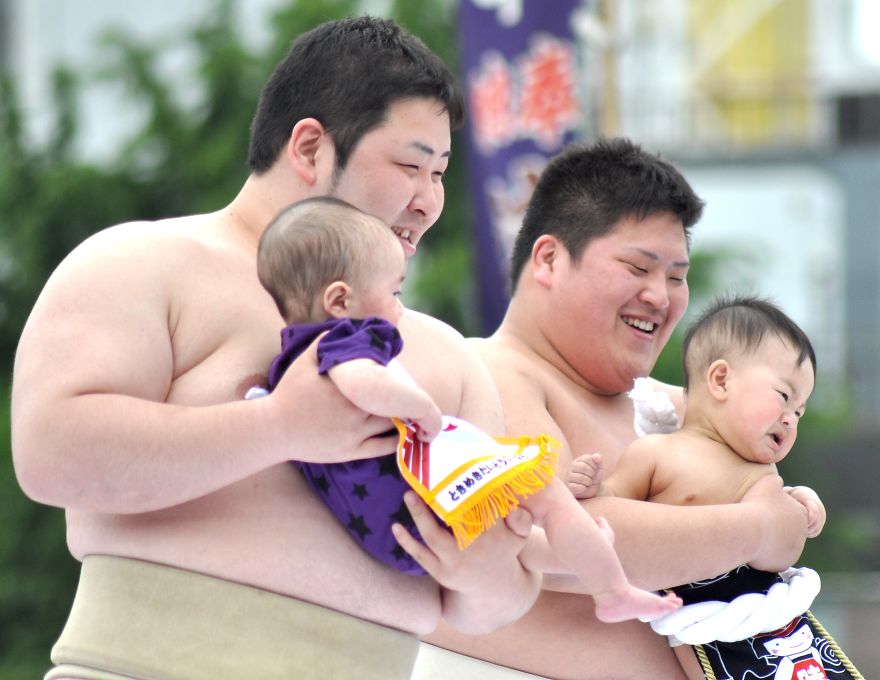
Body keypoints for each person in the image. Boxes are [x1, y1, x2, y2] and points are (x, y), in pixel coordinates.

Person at [11, 17, 541, 680]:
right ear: (312, 146)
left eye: (439, 173)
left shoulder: (445, 355)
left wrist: (485, 573)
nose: (427, 200)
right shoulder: (146, 263)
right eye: (410, 165)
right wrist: (276, 426)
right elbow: (51, 453)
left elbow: (501, 599)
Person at [419, 138, 812, 680]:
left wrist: (796, 510)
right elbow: (564, 534)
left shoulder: (679, 405)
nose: (661, 295)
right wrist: (756, 530)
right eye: (638, 267)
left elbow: (776, 506)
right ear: (550, 259)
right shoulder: (490, 373)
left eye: (676, 276)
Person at [258, 195, 683, 623]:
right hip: (418, 502)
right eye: (393, 291)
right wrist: (421, 408)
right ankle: (609, 586)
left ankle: (580, 556)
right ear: (339, 301)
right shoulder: (342, 340)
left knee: (518, 535)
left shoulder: (287, 362)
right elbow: (364, 383)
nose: (400, 308)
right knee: (548, 495)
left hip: (393, 529)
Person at [567, 295, 837, 679]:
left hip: (774, 621)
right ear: (721, 379)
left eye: (799, 411)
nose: (790, 419)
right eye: (783, 397)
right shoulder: (655, 453)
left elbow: (778, 551)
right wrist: (592, 487)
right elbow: (611, 512)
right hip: (702, 625)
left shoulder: (762, 471)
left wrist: (802, 504)